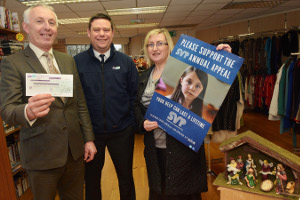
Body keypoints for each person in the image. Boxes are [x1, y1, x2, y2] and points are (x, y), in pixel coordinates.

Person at [0, 4, 96, 200]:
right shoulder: (12, 63)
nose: (47, 27)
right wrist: (28, 110)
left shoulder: (67, 60)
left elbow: (79, 104)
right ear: (26, 27)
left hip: (74, 153)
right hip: (41, 155)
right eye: (40, 21)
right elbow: (7, 110)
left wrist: (88, 139)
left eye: (51, 22)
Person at [134, 28, 232, 199]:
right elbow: (135, 106)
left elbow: (221, 96)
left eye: (159, 43)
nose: (155, 48)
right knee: (160, 192)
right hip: (155, 150)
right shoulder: (144, 77)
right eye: (150, 45)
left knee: (184, 194)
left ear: (169, 46)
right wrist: (142, 122)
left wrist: (224, 58)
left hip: (183, 151)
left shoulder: (189, 71)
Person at [74, 13, 138, 200]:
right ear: (88, 32)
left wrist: (131, 125)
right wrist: (85, 135)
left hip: (122, 133)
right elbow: (76, 102)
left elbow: (134, 96)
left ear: (112, 32)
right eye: (96, 30)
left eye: (106, 30)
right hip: (91, 137)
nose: (102, 34)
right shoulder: (77, 62)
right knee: (92, 182)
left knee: (126, 178)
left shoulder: (126, 62)